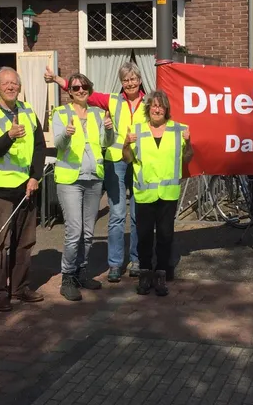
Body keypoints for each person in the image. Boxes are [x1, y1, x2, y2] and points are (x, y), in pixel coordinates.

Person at [45, 63, 145, 282]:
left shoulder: (149, 103)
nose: (130, 83)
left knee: (139, 215)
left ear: (139, 80)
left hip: (140, 162)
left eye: (133, 79)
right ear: (121, 82)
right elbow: (83, 93)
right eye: (126, 80)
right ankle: (116, 264)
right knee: (117, 214)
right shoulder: (112, 100)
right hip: (115, 161)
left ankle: (137, 260)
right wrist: (57, 80)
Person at [0, 67, 47, 312]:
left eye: (14, 83)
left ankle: (20, 288)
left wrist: (35, 176)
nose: (10, 87)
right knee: (0, 244)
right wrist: (9, 136)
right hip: (1, 191)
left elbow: (40, 146)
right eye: (5, 84)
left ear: (19, 87)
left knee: (25, 242)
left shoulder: (28, 111)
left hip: (26, 187)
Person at [51, 73, 115, 301]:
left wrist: (108, 129)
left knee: (88, 232)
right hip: (70, 179)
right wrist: (67, 135)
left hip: (94, 178)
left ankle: (81, 272)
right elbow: (57, 144)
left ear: (90, 89)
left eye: (84, 86)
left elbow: (107, 143)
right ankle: (67, 277)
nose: (80, 90)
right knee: (74, 230)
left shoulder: (98, 113)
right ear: (69, 91)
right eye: (76, 87)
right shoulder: (60, 113)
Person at [122, 90, 192, 296]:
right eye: (153, 105)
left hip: (168, 193)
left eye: (161, 106)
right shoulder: (137, 130)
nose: (157, 109)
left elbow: (188, 158)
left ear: (166, 110)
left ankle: (161, 273)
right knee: (143, 236)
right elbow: (127, 159)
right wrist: (126, 143)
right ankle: (145, 273)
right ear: (148, 108)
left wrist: (188, 142)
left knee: (165, 235)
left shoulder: (179, 130)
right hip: (144, 193)